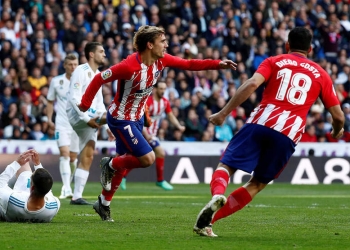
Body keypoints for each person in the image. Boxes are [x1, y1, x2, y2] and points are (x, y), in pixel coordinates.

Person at [193, 27, 345, 237]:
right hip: (287, 134)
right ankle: (209, 221)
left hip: (260, 122)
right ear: (310, 49)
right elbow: (338, 117)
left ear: (287, 45)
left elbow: (252, 83)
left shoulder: (274, 61)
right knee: (257, 184)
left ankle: (217, 195)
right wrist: (338, 131)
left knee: (227, 165)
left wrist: (224, 113)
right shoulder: (321, 74)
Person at [78, 25, 237, 221]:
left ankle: (103, 203)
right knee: (147, 158)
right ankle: (109, 164)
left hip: (136, 119)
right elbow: (99, 79)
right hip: (120, 118)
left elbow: (188, 64)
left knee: (124, 163)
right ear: (150, 45)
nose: (167, 45)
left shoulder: (161, 61)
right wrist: (85, 104)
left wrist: (217, 64)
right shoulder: (128, 66)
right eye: (163, 41)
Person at [66, 42, 114, 205]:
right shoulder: (81, 70)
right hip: (77, 114)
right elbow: (74, 98)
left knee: (88, 155)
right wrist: (88, 119)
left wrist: (107, 127)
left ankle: (76, 196)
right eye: (101, 51)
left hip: (92, 117)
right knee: (117, 113)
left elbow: (100, 104)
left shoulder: (99, 75)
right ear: (91, 54)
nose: (104, 54)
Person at [121, 81, 186, 191]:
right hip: (142, 132)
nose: (163, 91)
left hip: (152, 135)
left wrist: (178, 126)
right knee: (160, 152)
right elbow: (140, 118)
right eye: (161, 88)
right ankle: (160, 180)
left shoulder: (165, 102)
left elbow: (170, 116)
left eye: (164, 89)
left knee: (140, 158)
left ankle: (123, 176)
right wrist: (146, 134)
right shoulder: (148, 102)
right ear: (155, 89)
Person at [47, 54, 79, 199]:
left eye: (75, 64)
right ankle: (66, 188)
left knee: (73, 158)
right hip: (62, 123)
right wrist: (49, 119)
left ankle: (68, 185)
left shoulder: (82, 81)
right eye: (70, 64)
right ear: (65, 65)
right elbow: (50, 101)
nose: (73, 67)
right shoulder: (56, 81)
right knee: (64, 155)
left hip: (77, 124)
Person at [0, 149, 60, 222]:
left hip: (11, 204)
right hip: (30, 198)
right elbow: (46, 188)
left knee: (23, 164)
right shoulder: (54, 204)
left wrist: (16, 164)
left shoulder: (12, 199)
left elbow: (1, 184)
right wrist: (38, 165)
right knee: (25, 164)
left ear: (32, 188)